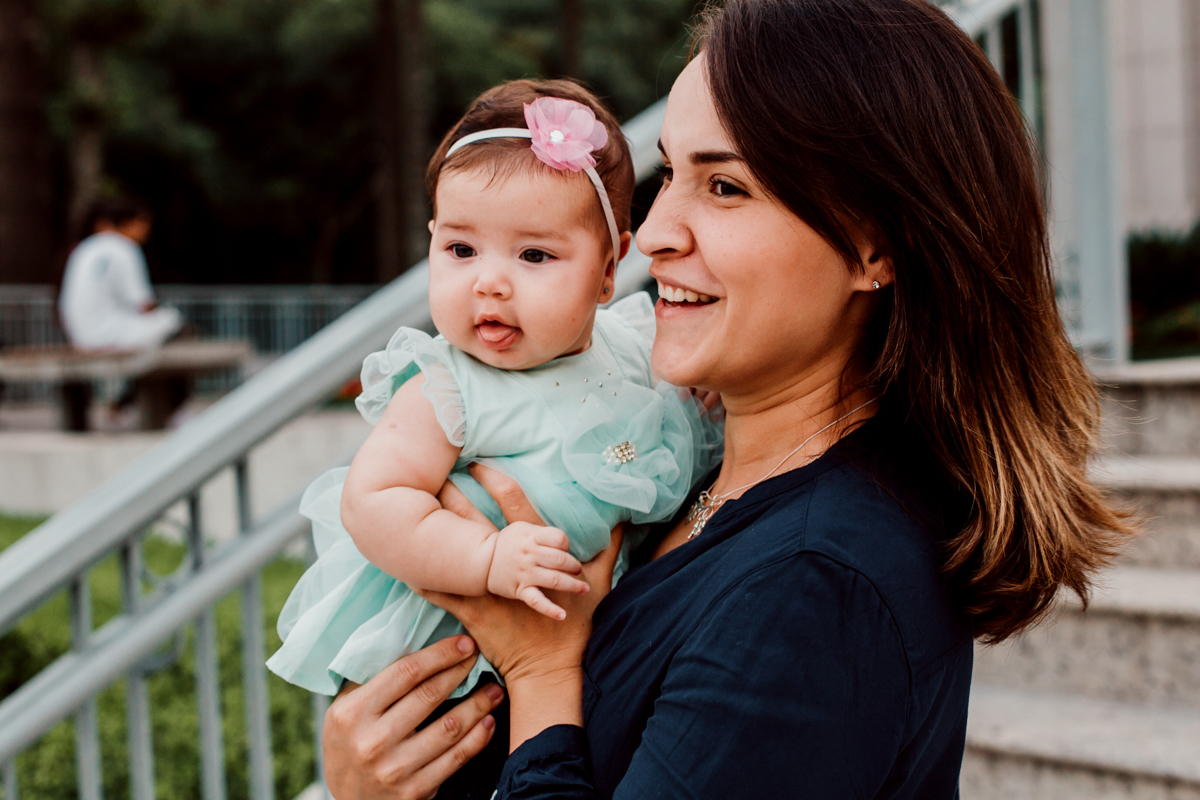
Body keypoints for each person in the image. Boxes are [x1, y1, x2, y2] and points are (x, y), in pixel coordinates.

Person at [318, 1, 1135, 797]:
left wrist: (542, 676)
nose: (660, 230)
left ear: (872, 244)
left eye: (727, 188)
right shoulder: (692, 467)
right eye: (671, 171)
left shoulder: (817, 586)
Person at [266, 80, 721, 789]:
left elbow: (670, 425)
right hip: (457, 659)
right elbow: (374, 498)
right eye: (461, 250)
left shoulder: (633, 347)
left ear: (608, 270)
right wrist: (484, 557)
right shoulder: (449, 386)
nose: (490, 284)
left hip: (573, 650)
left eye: (533, 256)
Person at [59, 197, 182, 352]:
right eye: (142, 222)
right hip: (112, 336)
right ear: (127, 221)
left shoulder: (85, 246)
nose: (147, 229)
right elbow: (143, 303)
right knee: (171, 319)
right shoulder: (124, 247)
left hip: (79, 337)